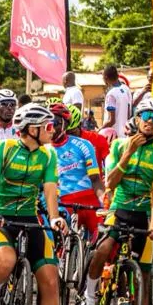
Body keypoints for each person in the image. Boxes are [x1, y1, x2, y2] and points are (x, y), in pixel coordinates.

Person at [81, 98, 153, 305]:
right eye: (146, 116)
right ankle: (89, 296)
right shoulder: (118, 145)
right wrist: (128, 153)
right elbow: (110, 182)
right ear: (138, 118)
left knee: (145, 278)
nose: (150, 121)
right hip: (118, 210)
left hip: (143, 215)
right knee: (104, 248)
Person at [0, 103, 69, 305]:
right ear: (32, 129)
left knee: (51, 280)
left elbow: (50, 189)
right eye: (48, 127)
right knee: (6, 261)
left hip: (31, 218)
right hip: (3, 218)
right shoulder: (5, 148)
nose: (53, 131)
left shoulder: (49, 154)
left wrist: (54, 218)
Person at [49, 103, 105, 241]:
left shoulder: (83, 145)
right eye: (47, 122)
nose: (51, 127)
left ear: (65, 124)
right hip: (63, 202)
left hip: (89, 199)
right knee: (59, 244)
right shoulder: (43, 150)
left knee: (103, 239)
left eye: (55, 122)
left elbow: (96, 179)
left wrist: (105, 202)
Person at [67, 104, 109, 172]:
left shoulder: (98, 139)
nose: (69, 137)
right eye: (65, 134)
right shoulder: (56, 145)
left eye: (72, 133)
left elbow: (109, 165)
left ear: (80, 125)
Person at [102, 65, 132, 137]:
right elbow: (128, 113)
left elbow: (111, 121)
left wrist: (100, 130)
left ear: (105, 77)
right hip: (125, 134)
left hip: (113, 136)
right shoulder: (126, 89)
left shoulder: (111, 94)